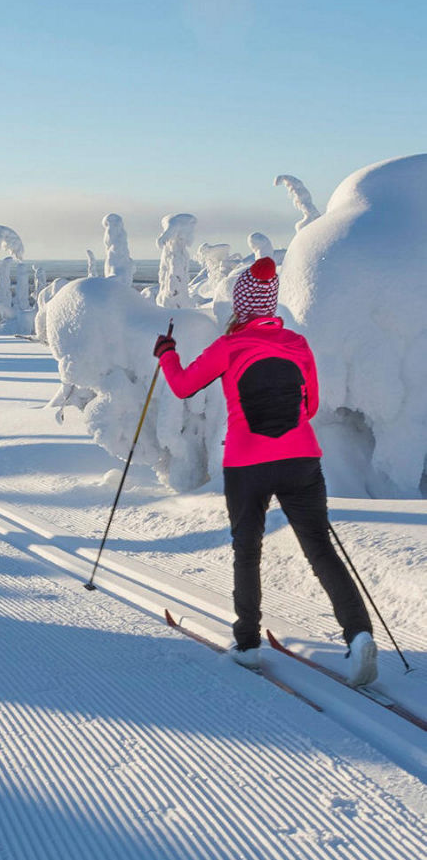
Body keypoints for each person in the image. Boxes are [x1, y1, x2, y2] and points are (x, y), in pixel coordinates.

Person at [153, 256, 378, 687]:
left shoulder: (228, 347)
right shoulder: (297, 344)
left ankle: (249, 645)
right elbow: (309, 407)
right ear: (271, 306)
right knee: (320, 549)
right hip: (301, 461)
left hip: (246, 463)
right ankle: (359, 635)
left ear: (241, 306)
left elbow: (183, 386)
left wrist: (167, 354)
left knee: (247, 550)